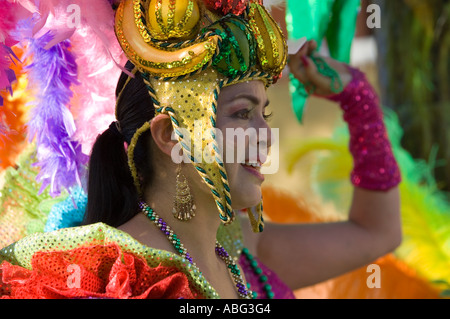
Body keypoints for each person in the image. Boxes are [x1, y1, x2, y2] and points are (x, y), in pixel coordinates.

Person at [0, 0, 401, 299]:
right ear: (171, 137)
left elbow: (377, 233)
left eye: (265, 112)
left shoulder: (241, 253)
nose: (265, 134)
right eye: (242, 114)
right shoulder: (109, 276)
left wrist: (359, 99)